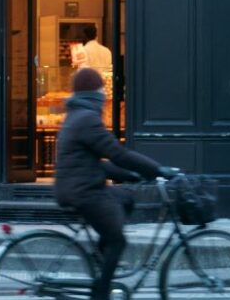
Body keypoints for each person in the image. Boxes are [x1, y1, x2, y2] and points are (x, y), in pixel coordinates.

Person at [54, 68, 177, 300]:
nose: (104, 92)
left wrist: (131, 175)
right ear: (94, 92)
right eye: (101, 88)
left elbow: (96, 162)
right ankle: (101, 292)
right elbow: (116, 153)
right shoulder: (87, 119)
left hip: (81, 185)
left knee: (125, 199)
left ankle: (103, 259)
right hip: (83, 192)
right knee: (118, 241)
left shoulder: (77, 115)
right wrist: (157, 169)